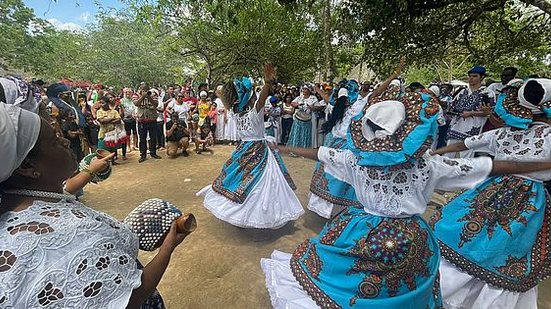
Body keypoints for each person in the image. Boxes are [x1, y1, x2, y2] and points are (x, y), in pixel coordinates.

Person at [260, 75, 551, 309]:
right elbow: (492, 166)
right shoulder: (428, 166)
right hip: (411, 238)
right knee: (405, 287)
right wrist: (536, 165)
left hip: (359, 228)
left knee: (342, 275)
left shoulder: (355, 159)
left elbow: (320, 153)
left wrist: (286, 148)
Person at [0, 102, 187, 308]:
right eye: (54, 140)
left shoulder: (27, 205)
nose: (65, 141)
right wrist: (167, 249)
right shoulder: (63, 234)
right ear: (27, 166)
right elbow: (128, 299)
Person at [430, 79, 551, 309]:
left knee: (466, 238)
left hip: (491, 191)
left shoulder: (502, 135)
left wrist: (435, 152)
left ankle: (446, 292)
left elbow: (462, 145)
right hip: (528, 203)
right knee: (505, 252)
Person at [197, 64, 303, 229]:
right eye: (253, 95)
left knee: (243, 180)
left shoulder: (235, 113)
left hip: (243, 149)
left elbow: (225, 96)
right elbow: (261, 99)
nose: (256, 98)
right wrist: (267, 82)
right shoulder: (254, 112)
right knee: (264, 183)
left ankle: (242, 211)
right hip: (259, 150)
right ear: (250, 98)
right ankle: (258, 216)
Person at [446, 66, 495, 158]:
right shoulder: (462, 91)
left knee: (466, 156)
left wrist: (471, 113)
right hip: (456, 127)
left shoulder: (487, 93)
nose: (471, 79)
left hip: (472, 129)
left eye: (475, 76)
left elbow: (489, 112)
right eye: (470, 76)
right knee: (448, 154)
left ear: (482, 77)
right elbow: (452, 106)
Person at [134, 84, 162, 163]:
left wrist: (148, 96)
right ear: (140, 89)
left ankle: (153, 153)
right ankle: (143, 155)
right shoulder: (136, 95)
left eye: (146, 89)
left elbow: (156, 104)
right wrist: (143, 96)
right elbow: (136, 104)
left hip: (152, 120)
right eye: (143, 89)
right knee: (142, 138)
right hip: (142, 120)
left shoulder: (153, 94)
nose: (145, 91)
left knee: (153, 138)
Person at [121, 87, 138, 152]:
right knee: (127, 133)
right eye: (126, 92)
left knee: (135, 132)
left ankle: (135, 145)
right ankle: (128, 146)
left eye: (129, 92)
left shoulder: (134, 100)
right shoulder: (122, 100)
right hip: (126, 119)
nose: (128, 93)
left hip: (134, 118)